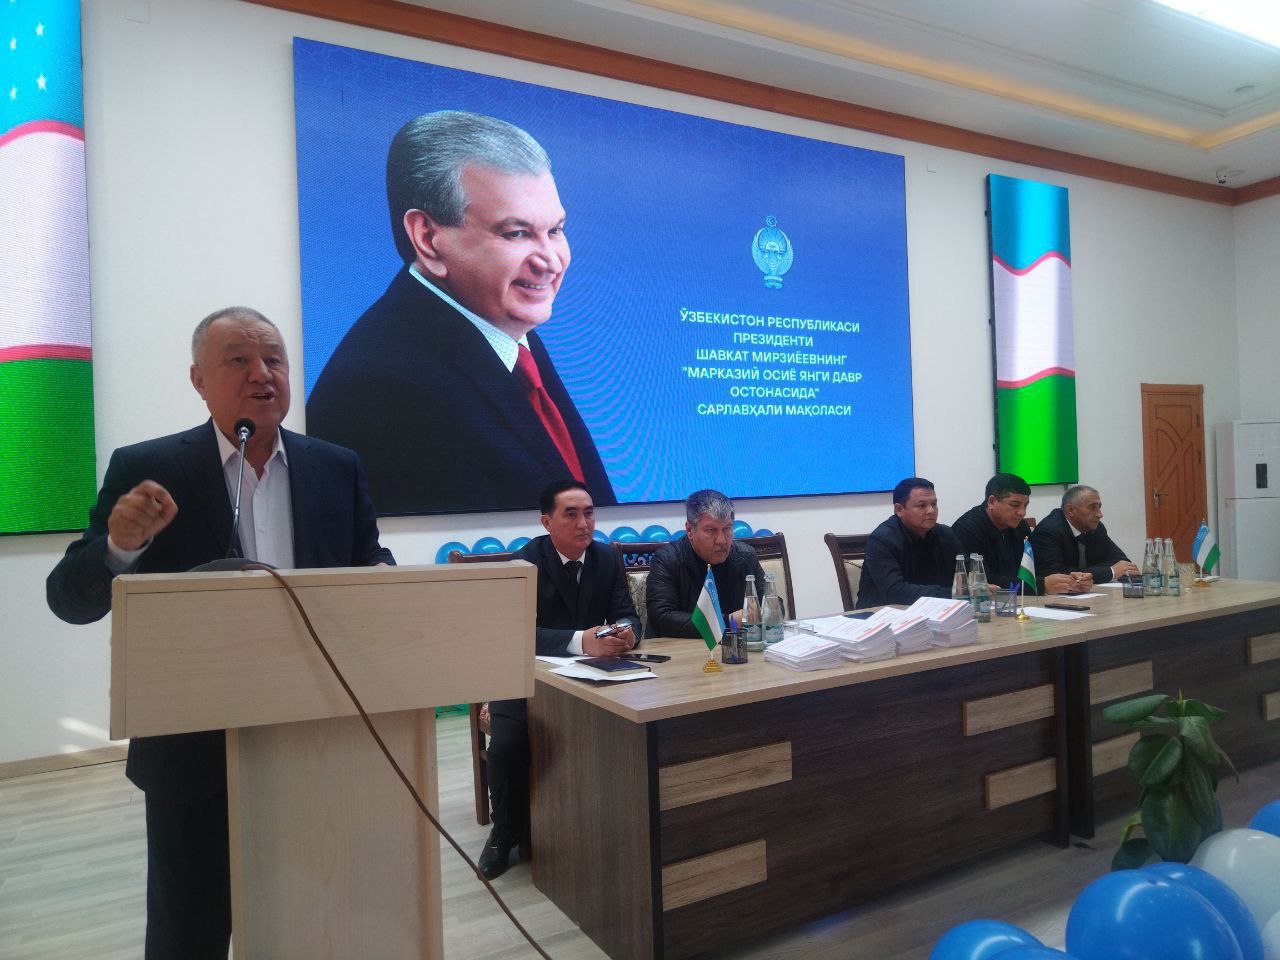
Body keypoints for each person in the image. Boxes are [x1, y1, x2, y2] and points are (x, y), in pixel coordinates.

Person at [46, 307, 394, 960]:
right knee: (189, 935)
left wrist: (380, 576)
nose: (262, 373)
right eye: (239, 359)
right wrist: (118, 547)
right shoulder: (149, 467)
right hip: (193, 750)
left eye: (274, 359)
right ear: (198, 380)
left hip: (316, 743)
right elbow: (68, 599)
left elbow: (369, 559)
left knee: (315, 924)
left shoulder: (336, 466)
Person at [306, 110, 615, 515]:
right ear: (428, 238)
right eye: (516, 233)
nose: (551, 261)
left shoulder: (507, 335)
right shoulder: (384, 389)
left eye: (555, 230)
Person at [478, 480, 639, 879]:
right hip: (524, 677)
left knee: (632, 726)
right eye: (571, 514)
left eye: (589, 513)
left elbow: (627, 614)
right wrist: (580, 641)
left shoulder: (606, 557)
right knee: (508, 745)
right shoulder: (524, 562)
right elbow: (513, 632)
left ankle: (602, 823)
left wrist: (626, 633)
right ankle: (504, 832)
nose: (584, 523)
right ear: (547, 522)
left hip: (591, 676)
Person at [645, 489, 766, 638]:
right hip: (679, 648)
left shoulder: (746, 556)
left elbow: (772, 604)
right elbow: (661, 618)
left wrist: (762, 610)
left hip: (734, 646)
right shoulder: (667, 559)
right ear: (690, 530)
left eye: (727, 529)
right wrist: (729, 621)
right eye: (711, 530)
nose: (721, 540)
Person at [856, 477, 963, 608]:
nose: (931, 510)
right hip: (882, 614)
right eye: (921, 505)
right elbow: (895, 591)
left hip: (935, 610)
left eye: (934, 504)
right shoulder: (881, 540)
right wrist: (953, 593)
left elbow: (965, 574)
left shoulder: (946, 534)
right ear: (899, 510)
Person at [1029, 484, 1138, 593]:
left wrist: (1090, 573)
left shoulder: (1096, 527)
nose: (1100, 514)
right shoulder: (1049, 530)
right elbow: (1054, 575)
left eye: (1099, 507)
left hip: (1091, 594)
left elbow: (1123, 563)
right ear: (1070, 510)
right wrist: (1110, 571)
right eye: (1092, 507)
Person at [952, 472, 1047, 590]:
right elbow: (981, 581)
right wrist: (1041, 585)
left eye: (1025, 505)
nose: (1022, 513)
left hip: (1019, 597)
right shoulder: (967, 529)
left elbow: (1031, 568)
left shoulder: (1021, 527)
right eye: (1015, 505)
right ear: (992, 501)